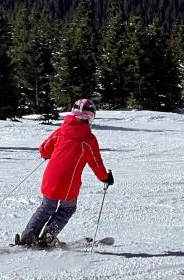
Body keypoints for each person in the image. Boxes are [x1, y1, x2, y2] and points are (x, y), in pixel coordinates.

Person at [15, 99, 114, 248]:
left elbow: (44, 149)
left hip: (51, 179)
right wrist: (105, 177)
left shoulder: (61, 131)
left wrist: (49, 153)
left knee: (46, 208)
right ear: (90, 117)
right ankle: (48, 235)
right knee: (67, 208)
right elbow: (96, 163)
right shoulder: (88, 139)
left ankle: (27, 238)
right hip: (69, 183)